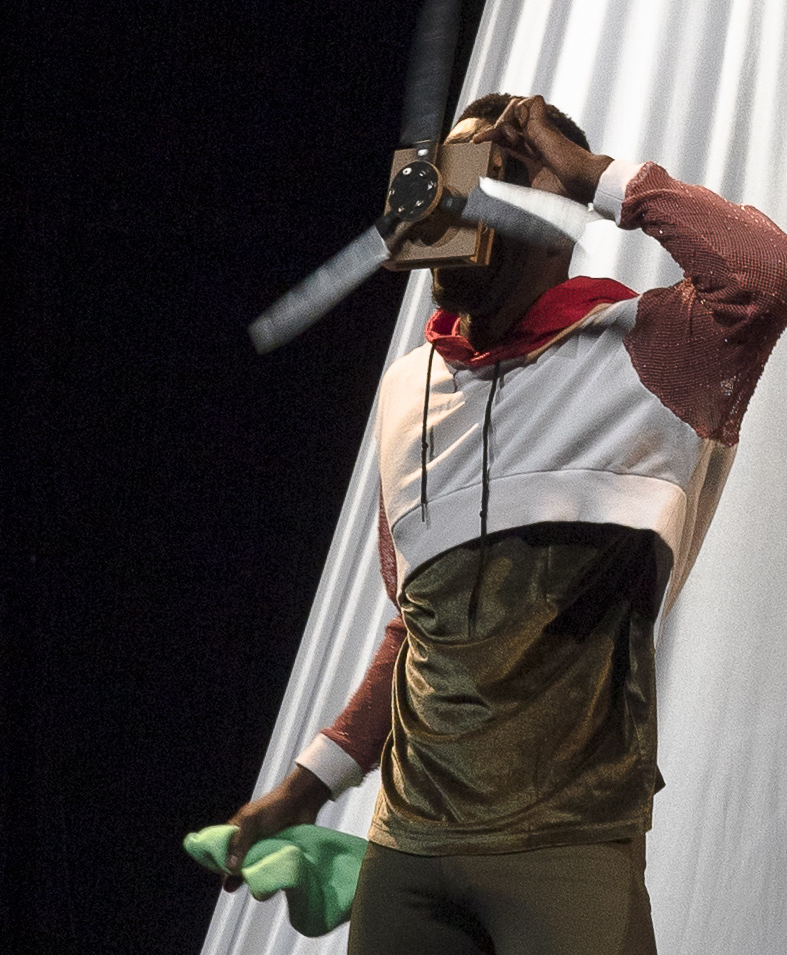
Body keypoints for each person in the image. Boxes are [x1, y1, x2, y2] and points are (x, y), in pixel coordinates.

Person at [224, 95, 787, 954]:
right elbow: (421, 627)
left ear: (556, 218)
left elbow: (765, 273)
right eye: (442, 173)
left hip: (566, 844)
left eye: (496, 174)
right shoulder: (406, 392)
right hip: (407, 851)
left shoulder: (647, 352)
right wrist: (303, 788)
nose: (446, 197)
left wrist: (594, 177)